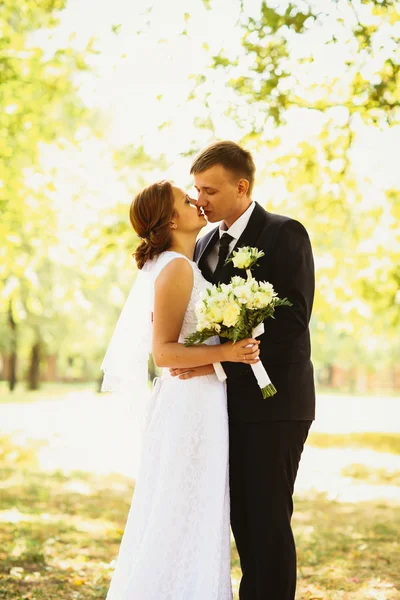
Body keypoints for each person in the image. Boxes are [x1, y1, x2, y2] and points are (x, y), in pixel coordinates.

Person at [100, 179, 260, 600]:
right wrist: (226, 351)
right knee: (179, 507)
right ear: (172, 218)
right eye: (188, 200)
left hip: (203, 400)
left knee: (196, 506)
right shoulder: (175, 268)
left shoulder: (185, 264)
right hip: (189, 407)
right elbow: (165, 354)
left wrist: (215, 357)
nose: (198, 203)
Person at [170, 141, 316, 600]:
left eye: (209, 190)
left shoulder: (284, 233)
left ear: (242, 186)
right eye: (196, 190)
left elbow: (291, 324)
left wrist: (222, 360)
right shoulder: (202, 242)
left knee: (267, 523)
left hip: (275, 404)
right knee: (239, 522)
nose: (200, 200)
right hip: (218, 405)